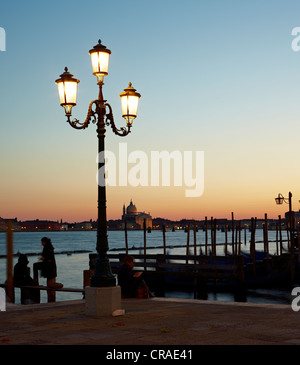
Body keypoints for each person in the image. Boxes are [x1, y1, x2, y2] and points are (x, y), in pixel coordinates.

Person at [33, 237, 62, 302]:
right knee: (50, 287)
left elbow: (48, 258)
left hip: (48, 267)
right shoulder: (49, 247)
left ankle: (35, 279)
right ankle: (35, 279)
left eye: (42, 242)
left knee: (35, 265)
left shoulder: (47, 248)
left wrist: (43, 259)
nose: (41, 243)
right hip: (50, 267)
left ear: (44, 242)